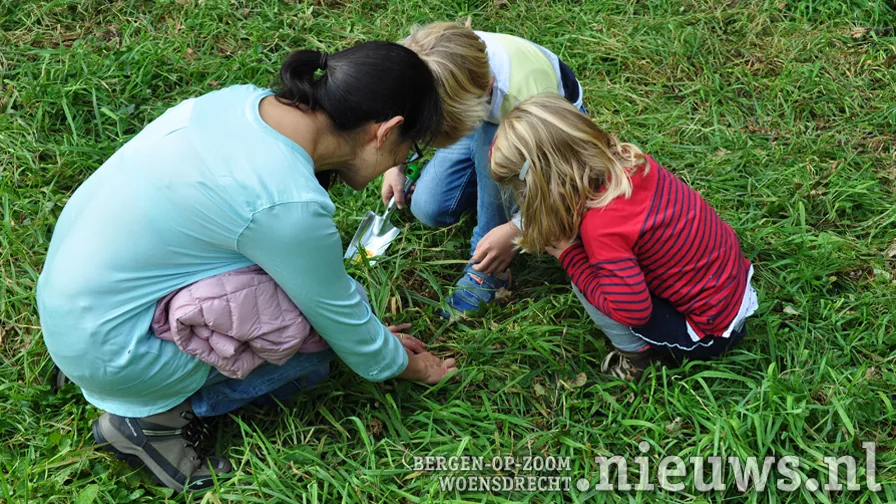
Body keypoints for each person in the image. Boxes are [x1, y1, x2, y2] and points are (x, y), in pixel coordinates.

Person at [36, 41, 456, 492]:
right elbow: (340, 319)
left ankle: (110, 369)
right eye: (408, 150)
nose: (400, 162)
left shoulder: (239, 101)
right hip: (118, 354)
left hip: (72, 309)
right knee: (310, 340)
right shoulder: (286, 203)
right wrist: (403, 365)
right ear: (386, 131)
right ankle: (149, 422)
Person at [489, 94, 759, 381]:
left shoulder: (601, 227)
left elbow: (632, 311)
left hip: (709, 332)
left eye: (522, 192)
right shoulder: (630, 162)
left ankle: (638, 358)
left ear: (544, 186)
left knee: (587, 275)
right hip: (732, 284)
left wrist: (571, 259)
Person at [380, 21, 587, 316]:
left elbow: (565, 180)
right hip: (483, 118)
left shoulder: (529, 100)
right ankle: (486, 174)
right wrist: (395, 165)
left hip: (542, 134)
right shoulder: (434, 60)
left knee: (491, 153)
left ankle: (489, 271)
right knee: (429, 209)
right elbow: (405, 107)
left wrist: (517, 229)